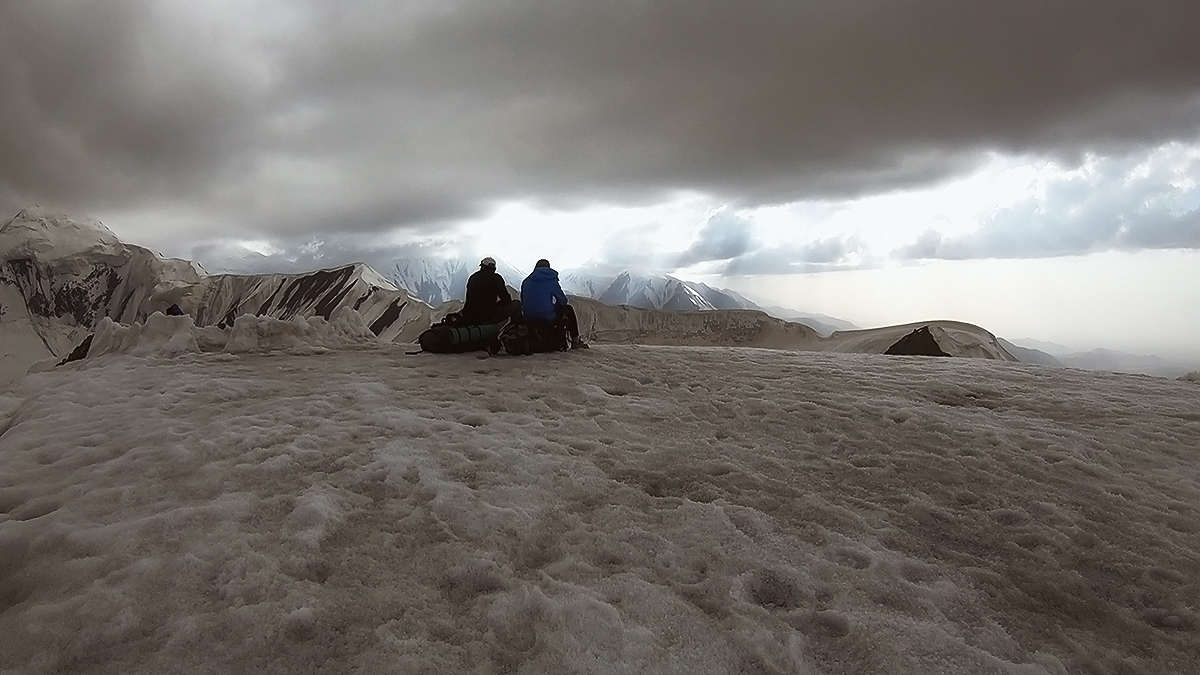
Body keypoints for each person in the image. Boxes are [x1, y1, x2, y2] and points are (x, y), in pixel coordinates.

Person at [520, 258, 586, 349]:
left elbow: (523, 301)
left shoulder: (526, 281)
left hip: (528, 318)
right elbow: (563, 301)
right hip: (547, 318)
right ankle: (576, 342)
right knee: (568, 309)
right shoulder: (550, 280)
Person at [462, 257, 520, 325]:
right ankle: (514, 329)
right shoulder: (496, 279)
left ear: (482, 267)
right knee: (517, 303)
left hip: (469, 315)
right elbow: (506, 299)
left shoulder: (473, 277)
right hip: (488, 316)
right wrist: (497, 305)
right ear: (494, 269)